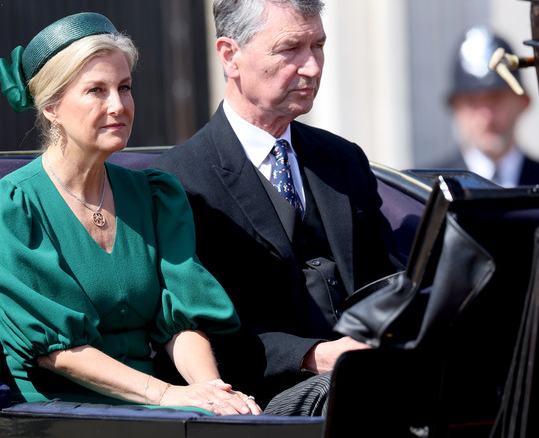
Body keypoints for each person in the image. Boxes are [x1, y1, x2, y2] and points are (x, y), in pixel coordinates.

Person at [0, 12, 261, 416]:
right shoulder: (9, 206)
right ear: (52, 106)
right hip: (58, 412)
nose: (118, 105)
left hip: (154, 407)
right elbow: (60, 352)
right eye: (96, 90)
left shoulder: (155, 195)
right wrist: (166, 395)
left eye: (124, 88)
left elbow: (181, 321)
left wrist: (211, 392)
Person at [151, 0, 402, 416]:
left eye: (318, 46)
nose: (313, 68)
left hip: (371, 379)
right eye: (290, 50)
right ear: (230, 56)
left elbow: (389, 279)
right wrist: (314, 356)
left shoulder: (343, 159)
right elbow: (197, 331)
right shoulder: (178, 181)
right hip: (260, 400)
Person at [433, 25, 537, 187]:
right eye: (472, 102)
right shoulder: (426, 190)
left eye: (496, 99)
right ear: (455, 107)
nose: (486, 117)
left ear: (523, 102)